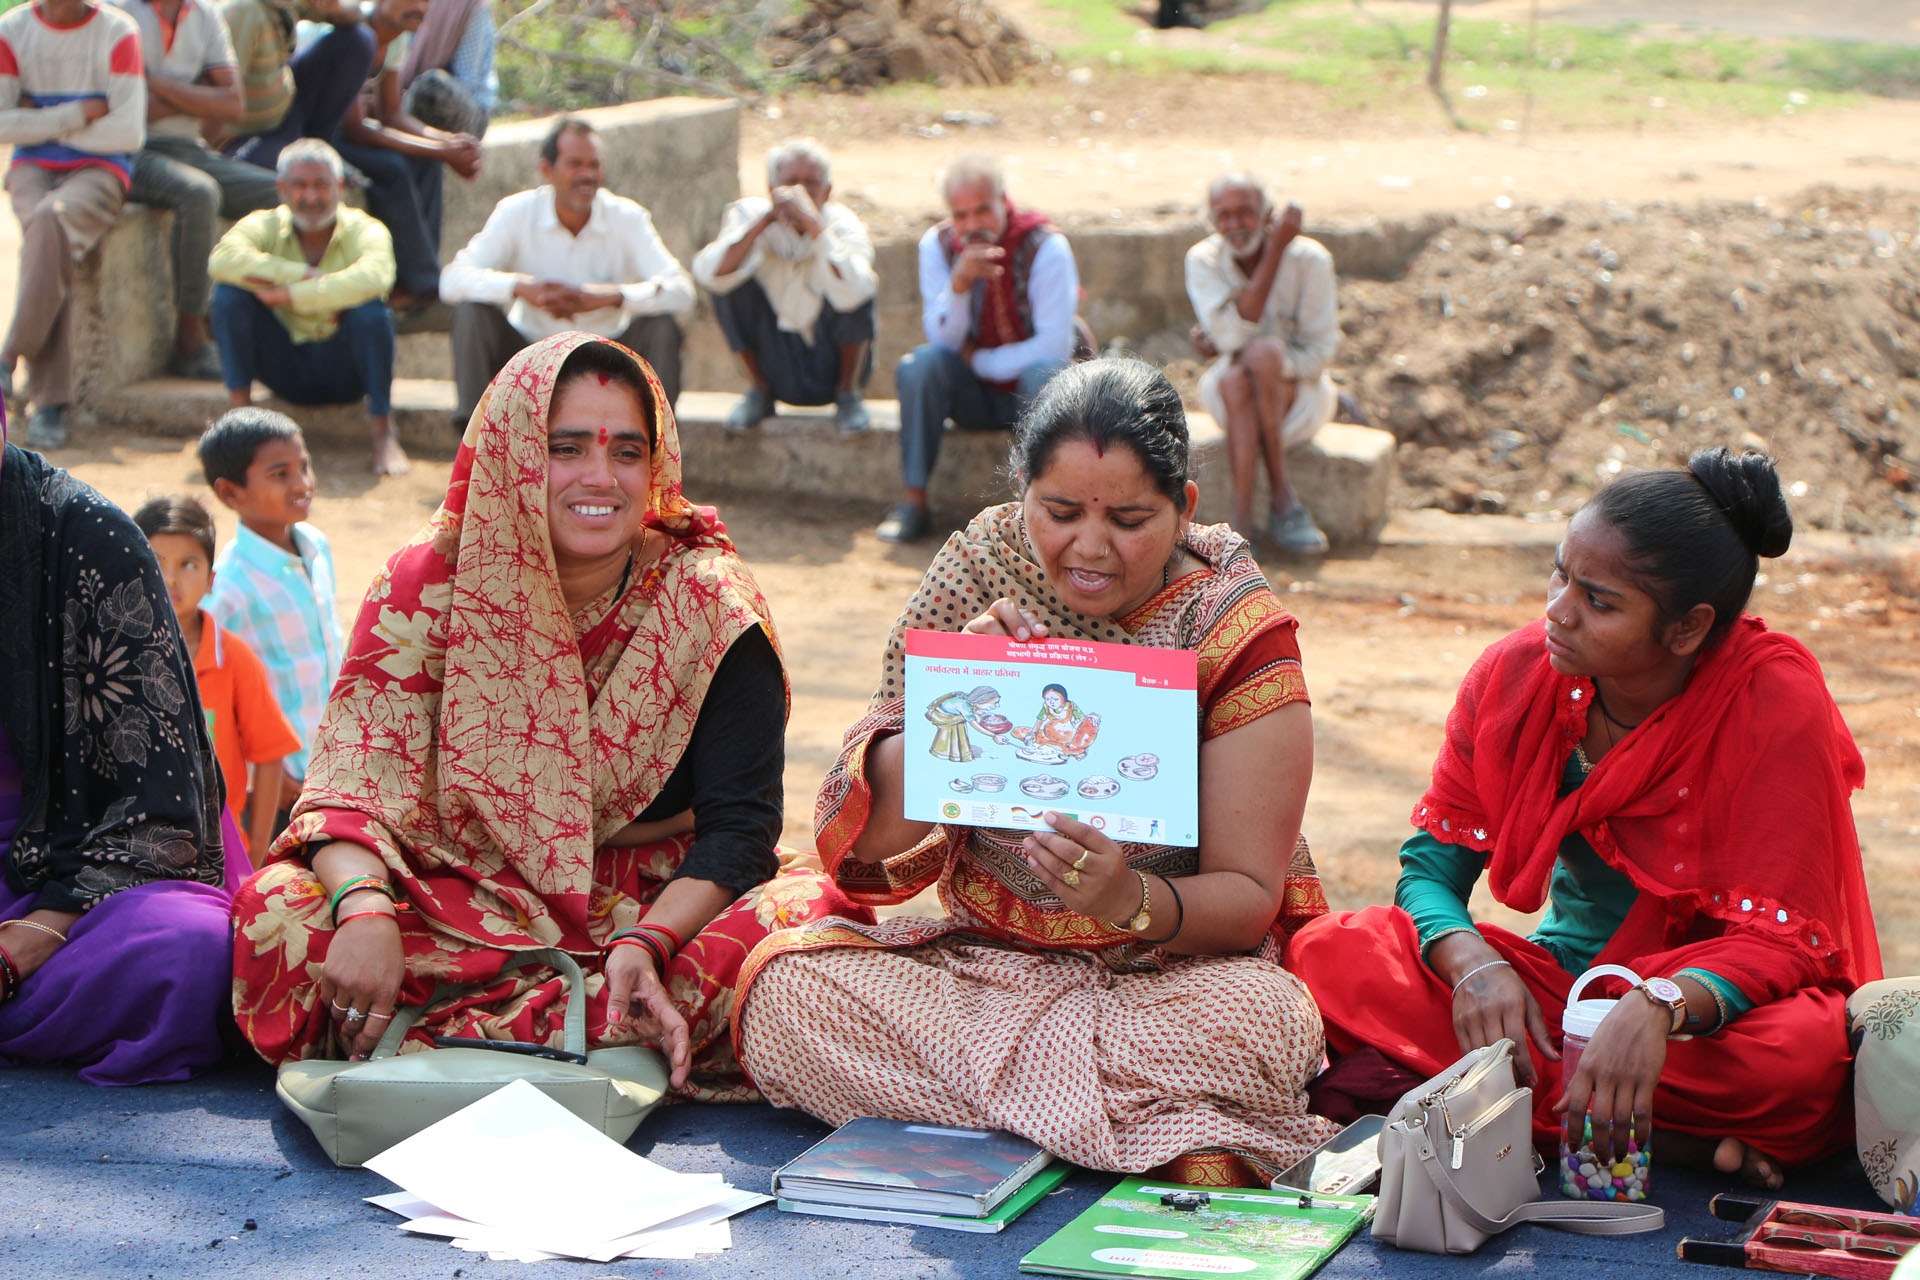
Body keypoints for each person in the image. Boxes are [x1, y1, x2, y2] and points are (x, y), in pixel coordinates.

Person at [736, 359, 1339, 1186]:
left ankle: (1010, 1127)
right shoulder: (978, 571)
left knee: (1263, 1025)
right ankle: (1152, 1133)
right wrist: (960, 700)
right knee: (784, 997)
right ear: (1021, 491)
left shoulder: (1234, 630)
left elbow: (1244, 901)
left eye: (1129, 519)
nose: (1090, 548)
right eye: (1059, 512)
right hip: (984, 971)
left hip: (1168, 982)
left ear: (1184, 508)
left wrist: (1129, 899)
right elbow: (868, 843)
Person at [230, 331, 871, 1090]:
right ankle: (606, 1035)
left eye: (628, 453)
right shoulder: (427, 583)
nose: (600, 477)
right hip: (454, 890)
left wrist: (653, 944)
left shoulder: (707, 605)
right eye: (565, 448)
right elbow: (347, 795)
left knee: (807, 917)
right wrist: (367, 911)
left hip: (645, 906)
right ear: (510, 453)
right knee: (278, 910)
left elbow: (741, 833)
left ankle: (455, 1035)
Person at [1285, 449, 1883, 1190]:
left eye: (1599, 602)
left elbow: (1785, 942)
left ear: (1688, 628)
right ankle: (1661, 1138)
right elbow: (1432, 870)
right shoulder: (1515, 676)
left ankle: (1502, 1108)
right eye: (1558, 574)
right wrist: (1476, 966)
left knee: (1801, 1062)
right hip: (1558, 991)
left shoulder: (1774, 705)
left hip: (1710, 1016)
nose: (1557, 611)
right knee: (1332, 952)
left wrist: (1659, 1005)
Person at [0, 412, 235, 1085]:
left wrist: (40, 932)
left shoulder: (88, 537)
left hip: (68, 872)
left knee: (186, 954)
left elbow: (156, 808)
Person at [878, 153, 1079, 544]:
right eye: (961, 215)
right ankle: (913, 503)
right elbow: (943, 341)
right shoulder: (937, 245)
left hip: (1034, 396)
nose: (972, 225)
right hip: (970, 396)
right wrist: (958, 285)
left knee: (1045, 373)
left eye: (983, 210)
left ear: (1003, 200)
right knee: (921, 366)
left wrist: (980, 360)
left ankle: (1033, 519)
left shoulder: (1046, 246)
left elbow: (1052, 346)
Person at [441, 116, 694, 424]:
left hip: (607, 356)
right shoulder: (516, 212)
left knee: (662, 327)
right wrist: (520, 288)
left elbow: (682, 290)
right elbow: (452, 279)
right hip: (530, 357)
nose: (587, 175)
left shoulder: (627, 217)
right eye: (575, 164)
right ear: (547, 170)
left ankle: (659, 448)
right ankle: (474, 444)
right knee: (472, 313)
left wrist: (611, 297)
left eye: (594, 165)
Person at [208, 138, 406, 475]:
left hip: (346, 370)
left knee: (371, 312)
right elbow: (222, 261)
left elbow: (377, 277)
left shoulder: (365, 229)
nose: (310, 197)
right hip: (283, 364)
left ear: (340, 187)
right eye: (299, 185)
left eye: (321, 185)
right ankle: (239, 423)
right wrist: (301, 274)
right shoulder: (263, 225)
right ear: (281, 188)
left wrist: (291, 294)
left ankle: (383, 434)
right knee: (229, 296)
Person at [0, 0, 145, 450]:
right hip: (31, 168)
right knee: (51, 241)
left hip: (102, 171)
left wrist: (36, 121)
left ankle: (9, 357)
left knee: (50, 222)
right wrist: (78, 113)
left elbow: (127, 133)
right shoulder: (12, 29)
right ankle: (48, 404)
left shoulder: (118, 31)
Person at [116, 0, 280, 382]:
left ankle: (259, 326)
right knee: (199, 194)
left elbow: (232, 104)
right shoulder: (119, 12)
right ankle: (191, 336)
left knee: (280, 193)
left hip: (189, 147)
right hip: (129, 151)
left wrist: (153, 84)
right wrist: (196, 93)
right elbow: (125, 108)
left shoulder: (204, 15)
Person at [198, 407, 345, 833]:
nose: (302, 484)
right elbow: (217, 694)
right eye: (280, 474)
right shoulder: (230, 588)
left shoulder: (316, 546)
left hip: (329, 763)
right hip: (281, 779)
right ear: (230, 494)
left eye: (304, 466)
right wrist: (269, 775)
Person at [134, 495, 301, 865]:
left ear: (211, 580)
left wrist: (256, 852)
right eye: (156, 564)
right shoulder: (114, 655)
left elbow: (270, 756)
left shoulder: (234, 658)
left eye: (188, 564)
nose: (171, 579)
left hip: (219, 851)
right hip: (133, 846)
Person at [1185, 173, 1339, 555]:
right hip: (1228, 396)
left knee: (1260, 359)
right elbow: (1232, 338)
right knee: (1240, 376)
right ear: (1212, 222)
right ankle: (1281, 503)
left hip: (1300, 403)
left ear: (1268, 214)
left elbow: (1321, 353)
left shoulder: (1310, 259)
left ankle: (1242, 519)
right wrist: (1274, 254)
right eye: (1224, 215)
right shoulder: (1203, 259)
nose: (1235, 225)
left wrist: (1268, 364)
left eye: (1246, 213)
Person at [692, 139, 877, 435]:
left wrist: (815, 226)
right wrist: (763, 223)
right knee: (726, 280)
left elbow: (858, 290)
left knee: (853, 282)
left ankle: (848, 392)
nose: (800, 193)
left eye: (811, 184)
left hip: (828, 357)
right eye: (791, 184)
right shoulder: (749, 215)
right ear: (771, 188)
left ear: (827, 191)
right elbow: (709, 273)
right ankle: (759, 391)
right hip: (776, 357)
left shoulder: (842, 225)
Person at [331, 0, 484, 309]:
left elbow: (392, 113)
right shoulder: (354, 34)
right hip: (323, 133)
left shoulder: (396, 37)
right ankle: (424, 285)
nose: (419, 7)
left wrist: (447, 143)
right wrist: (442, 149)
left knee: (427, 162)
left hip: (353, 131)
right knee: (391, 168)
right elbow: (357, 128)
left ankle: (412, 280)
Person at [218, 0, 374, 169]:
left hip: (288, 108)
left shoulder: (284, 5)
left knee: (357, 39)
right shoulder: (243, 11)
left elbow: (355, 15)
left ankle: (314, 146)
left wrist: (335, 6)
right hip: (248, 133)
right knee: (280, 174)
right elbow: (221, 94)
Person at [395, 0, 493, 137]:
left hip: (464, 109)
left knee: (432, 87)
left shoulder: (470, 6)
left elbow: (468, 81)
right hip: (406, 95)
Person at [1010, 682, 1099, 759]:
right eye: (1047, 699)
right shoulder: (1046, 707)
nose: (1051, 702)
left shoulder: (1071, 707)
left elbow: (1082, 720)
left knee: (1090, 722)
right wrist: (1033, 733)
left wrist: (1090, 718)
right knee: (1018, 731)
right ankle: (1063, 749)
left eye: (1056, 699)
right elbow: (1040, 720)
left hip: (1071, 737)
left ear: (1064, 699)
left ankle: (1075, 750)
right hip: (1051, 736)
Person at [924, 686, 1001, 763]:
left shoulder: (969, 701)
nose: (997, 705)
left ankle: (956, 751)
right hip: (944, 718)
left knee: (961, 724)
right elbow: (974, 725)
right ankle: (944, 752)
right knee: (953, 730)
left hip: (952, 715)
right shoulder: (963, 705)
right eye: (995, 703)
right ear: (980, 701)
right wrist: (993, 736)